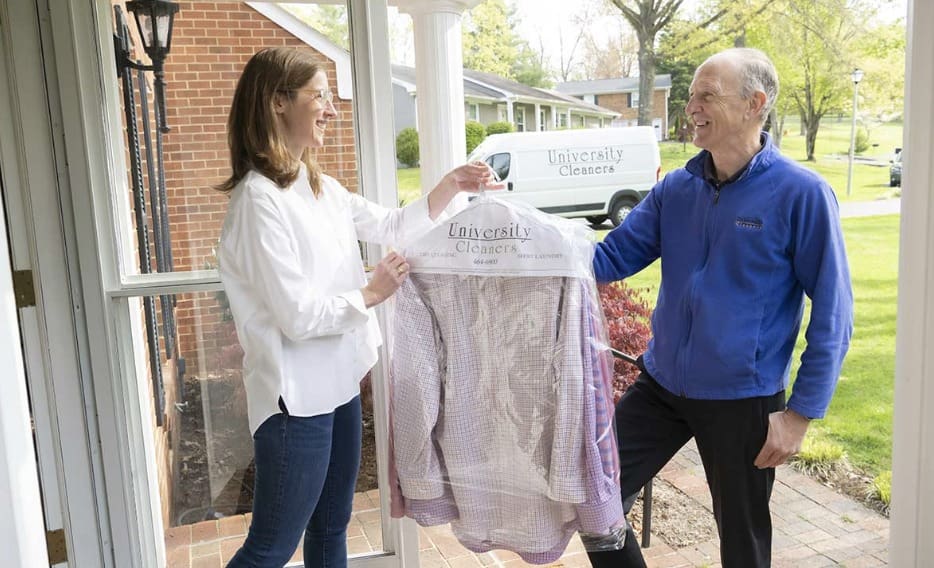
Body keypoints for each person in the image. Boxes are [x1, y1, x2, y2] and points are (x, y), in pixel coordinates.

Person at [216, 47, 499, 568]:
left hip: (339, 387)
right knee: (271, 548)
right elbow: (297, 316)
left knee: (330, 529)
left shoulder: (315, 184)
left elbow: (391, 225)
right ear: (278, 102)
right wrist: (372, 293)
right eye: (318, 95)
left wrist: (453, 183)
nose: (329, 107)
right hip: (294, 403)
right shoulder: (259, 201)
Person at [586, 48, 854, 568]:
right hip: (662, 385)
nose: (692, 108)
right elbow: (609, 257)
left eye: (707, 95)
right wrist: (525, 244)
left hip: (742, 398)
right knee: (594, 499)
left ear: (756, 103)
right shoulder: (676, 189)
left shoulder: (803, 195)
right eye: (691, 98)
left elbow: (834, 313)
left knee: (743, 543)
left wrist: (799, 414)